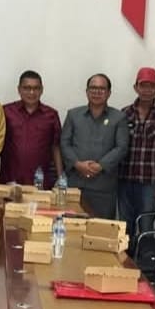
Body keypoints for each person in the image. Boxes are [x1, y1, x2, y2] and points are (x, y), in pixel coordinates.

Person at [61, 73, 129, 219]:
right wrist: (77, 164)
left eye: (101, 89)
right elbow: (64, 143)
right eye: (93, 88)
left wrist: (100, 166)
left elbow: (121, 147)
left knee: (102, 229)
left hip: (103, 188)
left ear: (109, 93)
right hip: (75, 184)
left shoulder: (119, 117)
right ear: (87, 91)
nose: (97, 92)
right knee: (72, 227)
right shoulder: (73, 115)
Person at [117, 67, 155, 237]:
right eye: (143, 85)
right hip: (125, 179)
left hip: (150, 182)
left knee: (146, 225)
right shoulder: (124, 113)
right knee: (125, 226)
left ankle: (144, 254)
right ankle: (126, 255)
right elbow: (117, 147)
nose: (147, 90)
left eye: (151, 86)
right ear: (136, 87)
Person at [0, 70, 62, 189]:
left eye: (36, 88)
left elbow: (56, 147)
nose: (31, 92)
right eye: (26, 88)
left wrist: (60, 178)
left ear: (42, 90)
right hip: (10, 181)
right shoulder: (5, 112)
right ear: (19, 89)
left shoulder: (51, 115)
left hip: (40, 183)